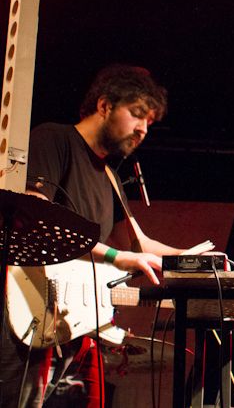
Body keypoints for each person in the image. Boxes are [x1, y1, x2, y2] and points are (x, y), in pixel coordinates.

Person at [0, 64, 212, 407]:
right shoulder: (53, 139)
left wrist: (191, 258)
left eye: (150, 122)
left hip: (74, 323)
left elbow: (138, 244)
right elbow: (36, 216)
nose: (143, 128)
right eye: (138, 114)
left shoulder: (110, 176)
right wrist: (116, 257)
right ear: (105, 105)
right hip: (29, 309)